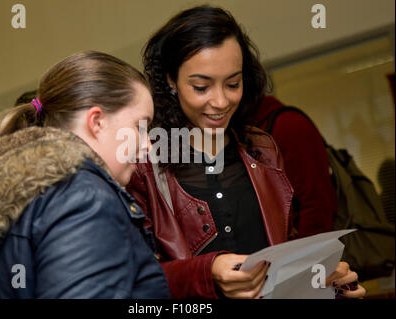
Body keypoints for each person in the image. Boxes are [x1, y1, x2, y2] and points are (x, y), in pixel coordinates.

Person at [127, 5, 365, 299]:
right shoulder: (143, 164)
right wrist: (207, 273)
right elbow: (131, 279)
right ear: (170, 81)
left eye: (233, 84)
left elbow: (285, 265)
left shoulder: (263, 149)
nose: (221, 101)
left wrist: (327, 284)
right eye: (201, 87)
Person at [0, 51, 170, 299]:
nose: (148, 145)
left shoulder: (25, 188)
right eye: (140, 126)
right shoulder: (84, 198)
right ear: (97, 121)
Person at [254, 96, 338, 238]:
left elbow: (316, 204)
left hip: (308, 248)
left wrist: (305, 258)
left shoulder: (287, 125)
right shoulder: (249, 133)